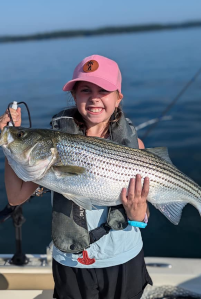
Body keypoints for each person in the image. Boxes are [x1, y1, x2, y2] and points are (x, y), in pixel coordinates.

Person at [0, 54, 152, 299]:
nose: (94, 98)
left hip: (124, 258)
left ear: (118, 98)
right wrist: (10, 144)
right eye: (85, 90)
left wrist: (137, 215)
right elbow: (16, 197)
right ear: (74, 96)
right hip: (71, 264)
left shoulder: (135, 147)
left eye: (103, 90)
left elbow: (142, 218)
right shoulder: (50, 147)